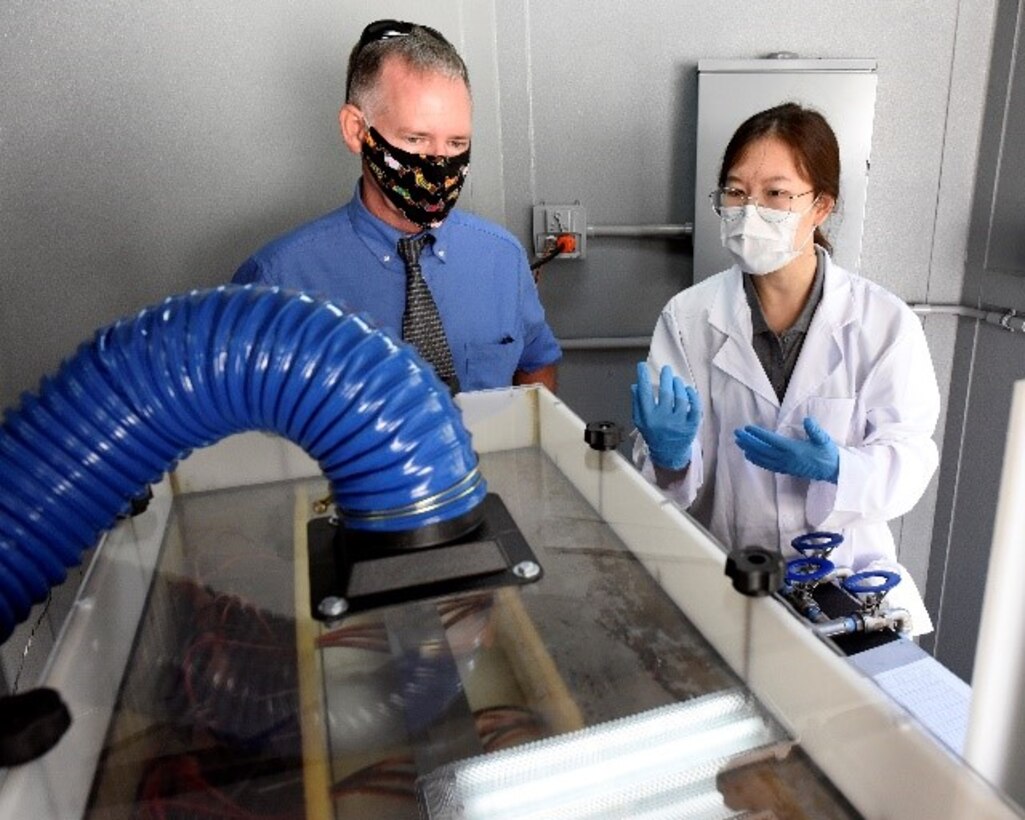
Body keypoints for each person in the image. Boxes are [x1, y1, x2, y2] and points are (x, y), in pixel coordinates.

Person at [632, 103, 939, 635]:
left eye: (776, 194)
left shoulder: (884, 324)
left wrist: (840, 468)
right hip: (730, 573)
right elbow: (659, 483)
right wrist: (668, 456)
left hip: (849, 585)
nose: (750, 211)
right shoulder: (688, 318)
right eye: (735, 192)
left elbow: (911, 457)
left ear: (821, 206)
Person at [232, 19, 560, 393]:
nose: (439, 164)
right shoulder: (278, 280)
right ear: (356, 130)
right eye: (416, 138)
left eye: (456, 143)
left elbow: (536, 364)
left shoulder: (503, 258)